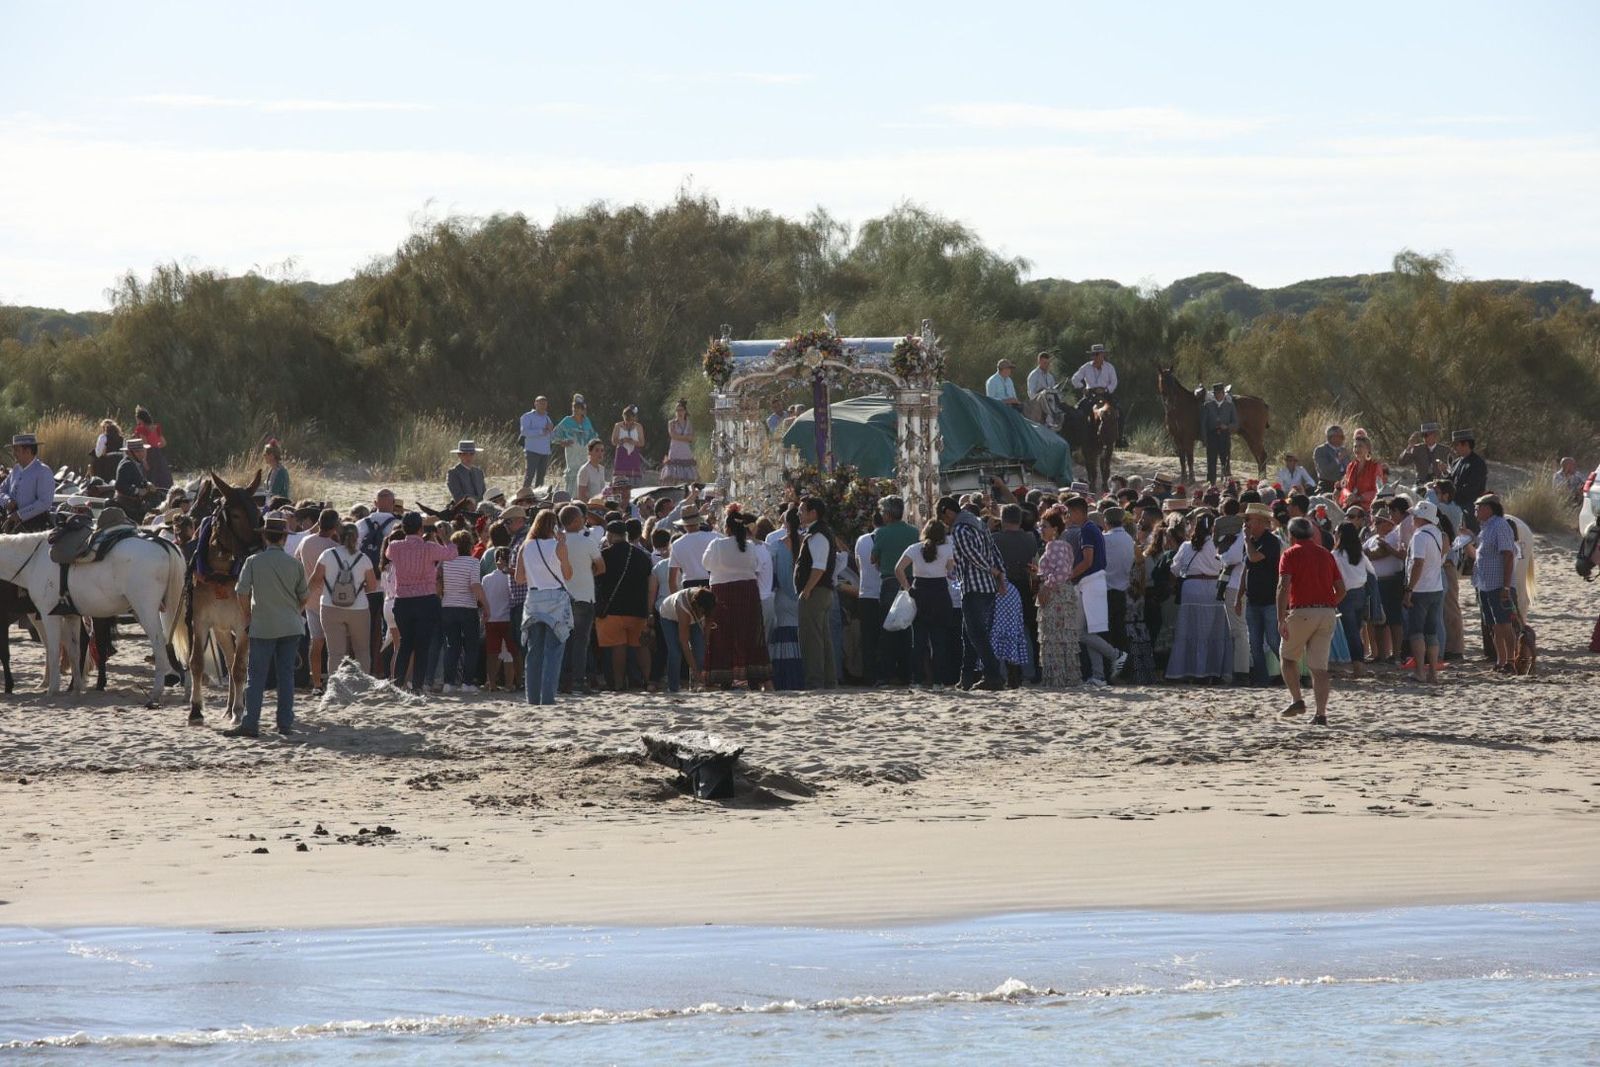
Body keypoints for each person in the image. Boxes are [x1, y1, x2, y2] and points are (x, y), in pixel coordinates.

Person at [224, 516, 310, 739]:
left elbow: (241, 592)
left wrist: (248, 616)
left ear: (264, 536)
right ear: (284, 538)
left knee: (256, 677)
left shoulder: (253, 561)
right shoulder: (295, 563)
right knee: (286, 677)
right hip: (290, 626)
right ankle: (284, 723)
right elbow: (304, 596)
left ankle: (251, 723)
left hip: (262, 625)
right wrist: (294, 613)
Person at [1277, 516, 1346, 725]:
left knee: (1288, 658)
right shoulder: (1325, 554)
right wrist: (1327, 603)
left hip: (1302, 611)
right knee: (1319, 668)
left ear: (1291, 535)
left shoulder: (1290, 553)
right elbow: (1342, 589)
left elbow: (1283, 586)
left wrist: (1281, 617)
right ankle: (1321, 714)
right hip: (1327, 613)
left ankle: (1297, 699)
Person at [384, 511, 456, 694]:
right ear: (420, 528)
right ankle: (417, 685)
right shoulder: (429, 547)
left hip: (403, 600)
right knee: (422, 645)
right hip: (426, 599)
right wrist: (445, 538)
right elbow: (451, 554)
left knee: (405, 643)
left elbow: (388, 553)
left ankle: (398, 682)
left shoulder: (395, 546)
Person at [701, 512, 772, 689]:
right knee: (748, 632)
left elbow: (706, 564)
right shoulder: (750, 546)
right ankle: (754, 676)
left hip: (722, 591)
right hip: (747, 591)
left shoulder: (717, 544)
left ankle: (724, 676)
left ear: (727, 528)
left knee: (722, 633)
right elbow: (755, 566)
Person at [941, 495, 1005, 691]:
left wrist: (994, 571)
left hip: (973, 586)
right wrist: (1000, 574)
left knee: (976, 634)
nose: (944, 522)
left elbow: (972, 554)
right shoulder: (979, 523)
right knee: (969, 633)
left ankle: (993, 674)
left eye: (943, 517)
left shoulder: (960, 528)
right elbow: (994, 549)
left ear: (948, 512)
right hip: (987, 587)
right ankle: (967, 677)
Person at [1165, 511, 1231, 683]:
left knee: (1189, 630)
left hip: (1191, 589)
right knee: (1211, 633)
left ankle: (1188, 671)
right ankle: (1209, 672)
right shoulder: (1219, 545)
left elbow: (1174, 569)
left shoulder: (1187, 546)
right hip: (1213, 590)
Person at [894, 518, 957, 688]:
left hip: (919, 590)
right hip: (940, 592)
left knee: (919, 641)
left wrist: (908, 588)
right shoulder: (946, 549)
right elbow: (951, 571)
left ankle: (917, 680)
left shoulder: (914, 548)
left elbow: (898, 569)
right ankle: (938, 681)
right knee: (939, 642)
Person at [310, 522, 379, 675]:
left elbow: (315, 580)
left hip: (330, 606)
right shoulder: (363, 558)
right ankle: (362, 688)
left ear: (338, 536)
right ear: (357, 538)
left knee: (335, 653)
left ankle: (336, 689)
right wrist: (358, 592)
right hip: (358, 608)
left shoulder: (327, 555)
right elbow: (373, 586)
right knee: (361, 650)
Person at [594, 520, 653, 689]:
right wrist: (648, 611)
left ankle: (619, 684)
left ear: (610, 535)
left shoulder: (604, 555)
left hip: (613, 610)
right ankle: (649, 682)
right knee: (641, 647)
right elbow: (649, 584)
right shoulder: (642, 555)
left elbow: (598, 580)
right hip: (638, 609)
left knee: (618, 647)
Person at [557, 504, 605, 695]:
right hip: (584, 595)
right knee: (581, 641)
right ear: (576, 521)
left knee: (563, 640)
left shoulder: (557, 542)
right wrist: (587, 572)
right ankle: (578, 681)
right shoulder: (587, 542)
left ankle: (562, 681)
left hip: (561, 596)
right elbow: (601, 567)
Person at [870, 496, 918, 685]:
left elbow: (873, 558)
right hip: (912, 581)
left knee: (888, 629)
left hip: (890, 581)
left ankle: (887, 674)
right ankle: (908, 673)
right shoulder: (914, 532)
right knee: (908, 629)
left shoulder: (882, 533)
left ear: (888, 514)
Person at [991, 503, 1041, 683]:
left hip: (1000, 586)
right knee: (1025, 629)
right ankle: (1029, 671)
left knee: (999, 630)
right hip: (1023, 586)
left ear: (1003, 519)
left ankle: (1003, 671)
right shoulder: (1030, 538)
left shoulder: (995, 539)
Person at [1470, 494, 1519, 672]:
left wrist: (1506, 587)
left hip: (1499, 585)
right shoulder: (1485, 528)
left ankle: (1512, 661)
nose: (1475, 510)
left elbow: (1508, 555)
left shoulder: (1500, 525)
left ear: (1489, 508)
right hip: (1485, 584)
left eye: (1478, 507)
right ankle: (1500, 661)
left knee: (1505, 624)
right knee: (1494, 625)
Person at [1034, 509, 1082, 688]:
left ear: (1055, 528)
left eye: (1044, 526)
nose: (1041, 529)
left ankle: (1058, 679)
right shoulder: (1062, 545)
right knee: (1062, 637)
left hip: (1056, 594)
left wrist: (1047, 586)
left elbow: (1062, 571)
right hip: (1062, 593)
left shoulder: (1056, 545)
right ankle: (1066, 677)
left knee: (1055, 636)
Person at [294, 508, 340, 694]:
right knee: (335, 644)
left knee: (316, 641)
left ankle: (317, 683)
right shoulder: (334, 547)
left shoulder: (305, 541)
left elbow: (296, 560)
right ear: (335, 526)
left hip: (310, 597)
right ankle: (333, 681)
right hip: (331, 599)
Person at [795, 496, 839, 689]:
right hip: (820, 591)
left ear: (813, 513)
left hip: (815, 592)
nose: (798, 513)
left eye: (802, 510)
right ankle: (828, 681)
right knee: (823, 639)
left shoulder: (818, 535)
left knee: (811, 639)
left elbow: (819, 567)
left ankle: (815, 681)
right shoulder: (819, 533)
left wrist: (807, 589)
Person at [355, 489, 401, 673]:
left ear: (374, 503)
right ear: (393, 503)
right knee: (390, 630)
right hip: (390, 587)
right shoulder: (397, 524)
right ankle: (385, 670)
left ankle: (368, 669)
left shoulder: (360, 524)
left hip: (365, 585)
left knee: (367, 631)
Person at [438, 530, 488, 693]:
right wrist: (485, 604)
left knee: (452, 646)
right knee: (471, 646)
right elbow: (475, 585)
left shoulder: (445, 562)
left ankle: (448, 683)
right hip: (467, 607)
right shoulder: (473, 562)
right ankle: (467, 682)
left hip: (448, 607)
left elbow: (438, 584)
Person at [1237, 502, 1282, 686]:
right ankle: (1261, 679)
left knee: (1274, 640)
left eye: (1250, 520)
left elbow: (1255, 558)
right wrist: (1240, 596)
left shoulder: (1271, 542)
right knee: (1254, 643)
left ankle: (1293, 673)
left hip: (1270, 600)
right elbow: (1245, 570)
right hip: (1254, 600)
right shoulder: (1251, 543)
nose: (1247, 524)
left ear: (1263, 522)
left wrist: (1247, 541)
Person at [1402, 500, 1447, 684]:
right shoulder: (1437, 533)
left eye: (1414, 516)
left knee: (1416, 632)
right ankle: (1433, 674)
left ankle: (1420, 671)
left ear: (1420, 517)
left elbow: (1418, 563)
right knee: (1431, 632)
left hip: (1420, 589)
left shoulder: (1420, 536)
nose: (1412, 519)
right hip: (1436, 587)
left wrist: (1409, 589)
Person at [765, 510, 806, 690]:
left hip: (782, 596)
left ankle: (784, 677)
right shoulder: (807, 542)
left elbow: (770, 572)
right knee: (801, 635)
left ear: (786, 524)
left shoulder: (775, 546)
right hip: (803, 594)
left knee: (783, 634)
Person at [1331, 521, 1374, 678]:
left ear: (1340, 535)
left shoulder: (1335, 555)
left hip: (1345, 594)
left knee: (1351, 633)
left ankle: (1358, 666)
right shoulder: (1359, 553)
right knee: (1356, 630)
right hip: (1360, 593)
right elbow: (1372, 572)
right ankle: (1359, 664)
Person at [659, 586, 717, 690]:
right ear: (697, 606)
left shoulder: (709, 602)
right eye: (702, 612)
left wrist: (706, 643)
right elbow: (684, 643)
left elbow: (707, 627)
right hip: (668, 616)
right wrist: (695, 672)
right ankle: (673, 687)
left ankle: (695, 684)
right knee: (675, 652)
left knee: (700, 649)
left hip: (692, 619)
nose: (702, 615)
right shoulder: (683, 608)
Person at [1100, 506, 1135, 657]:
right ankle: (1124, 669)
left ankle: (1111, 668)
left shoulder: (1105, 539)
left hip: (1105, 591)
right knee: (1120, 632)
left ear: (1106, 522)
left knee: (1106, 634)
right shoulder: (1129, 539)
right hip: (1121, 592)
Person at [1, 433, 54, 531]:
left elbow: (45, 502)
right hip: (12, 526)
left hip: (34, 528)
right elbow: (1, 490)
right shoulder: (16, 470)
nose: (14, 454)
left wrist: (20, 514)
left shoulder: (43, 471)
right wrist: (7, 500)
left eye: (17, 450)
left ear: (28, 451)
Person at [552, 395, 600, 497]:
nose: (577, 410)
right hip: (572, 454)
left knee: (585, 474)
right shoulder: (567, 421)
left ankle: (584, 499)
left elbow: (594, 436)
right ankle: (571, 499)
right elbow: (554, 436)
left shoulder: (587, 421)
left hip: (585, 454)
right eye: (575, 407)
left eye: (580, 408)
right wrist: (562, 442)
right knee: (573, 475)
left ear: (584, 409)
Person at [481, 548, 515, 691]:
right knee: (509, 654)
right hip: (507, 618)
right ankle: (509, 684)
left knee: (491, 653)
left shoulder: (487, 579)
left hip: (491, 619)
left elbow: (484, 599)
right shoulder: (510, 578)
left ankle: (492, 683)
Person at [1449, 430, 1488, 532]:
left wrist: (1451, 493)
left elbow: (1471, 489)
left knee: (1468, 515)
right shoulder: (1456, 462)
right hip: (1454, 500)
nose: (1454, 448)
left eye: (1456, 445)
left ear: (1466, 444)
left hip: (1470, 503)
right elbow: (1451, 480)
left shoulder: (1477, 463)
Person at [1200, 384, 1237, 483]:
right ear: (1214, 393)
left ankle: (1226, 483)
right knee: (1211, 462)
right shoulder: (1208, 405)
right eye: (1217, 393)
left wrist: (1227, 426)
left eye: (1221, 393)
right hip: (1212, 436)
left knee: (1225, 461)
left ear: (1224, 393)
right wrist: (1204, 439)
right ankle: (1211, 484)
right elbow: (1203, 424)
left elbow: (1235, 423)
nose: (1219, 395)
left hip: (1224, 436)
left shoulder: (1230, 405)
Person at [519, 396, 555, 491]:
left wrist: (551, 430)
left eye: (545, 404)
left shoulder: (547, 418)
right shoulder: (527, 416)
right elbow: (524, 432)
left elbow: (551, 435)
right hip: (532, 450)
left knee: (541, 477)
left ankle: (537, 497)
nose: (543, 406)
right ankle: (524, 495)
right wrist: (541, 431)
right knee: (529, 475)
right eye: (540, 403)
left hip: (545, 452)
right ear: (535, 403)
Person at [130, 406, 172, 489]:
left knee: (149, 478)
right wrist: (156, 445)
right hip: (158, 454)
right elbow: (163, 443)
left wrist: (144, 460)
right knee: (162, 478)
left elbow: (145, 445)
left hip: (148, 455)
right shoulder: (156, 427)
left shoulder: (141, 429)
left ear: (140, 418)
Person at [1339, 435, 1385, 510]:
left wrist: (1359, 498)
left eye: (1360, 446)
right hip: (1349, 504)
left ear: (1368, 449)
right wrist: (1349, 495)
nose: (1357, 449)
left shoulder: (1375, 466)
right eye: (1355, 446)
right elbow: (1345, 488)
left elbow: (1378, 491)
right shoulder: (1350, 466)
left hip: (1368, 507)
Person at [113, 438, 154, 522]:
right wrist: (138, 491)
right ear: (129, 452)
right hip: (127, 506)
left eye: (142, 450)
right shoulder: (126, 465)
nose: (142, 453)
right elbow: (119, 486)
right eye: (138, 451)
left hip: (135, 504)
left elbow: (139, 479)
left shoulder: (136, 463)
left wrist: (147, 484)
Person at [663, 399, 699, 483]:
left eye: (681, 410)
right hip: (675, 451)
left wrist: (681, 437)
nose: (679, 412)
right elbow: (673, 435)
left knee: (688, 479)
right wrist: (685, 437)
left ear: (685, 411)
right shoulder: (671, 423)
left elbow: (692, 438)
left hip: (685, 452)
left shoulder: (689, 423)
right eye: (677, 410)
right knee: (674, 477)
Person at [611, 405, 646, 487]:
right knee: (619, 482)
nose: (628, 421)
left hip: (633, 456)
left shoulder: (638, 427)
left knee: (634, 482)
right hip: (621, 456)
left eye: (630, 419)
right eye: (626, 418)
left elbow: (642, 443)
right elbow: (613, 441)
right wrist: (623, 440)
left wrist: (632, 441)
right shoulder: (618, 426)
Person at [1312, 425, 1349, 494]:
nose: (1342, 439)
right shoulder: (1321, 450)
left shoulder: (1343, 450)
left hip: (1344, 485)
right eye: (1340, 437)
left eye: (1342, 437)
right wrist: (1338, 459)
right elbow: (1324, 470)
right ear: (1331, 437)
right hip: (1327, 485)